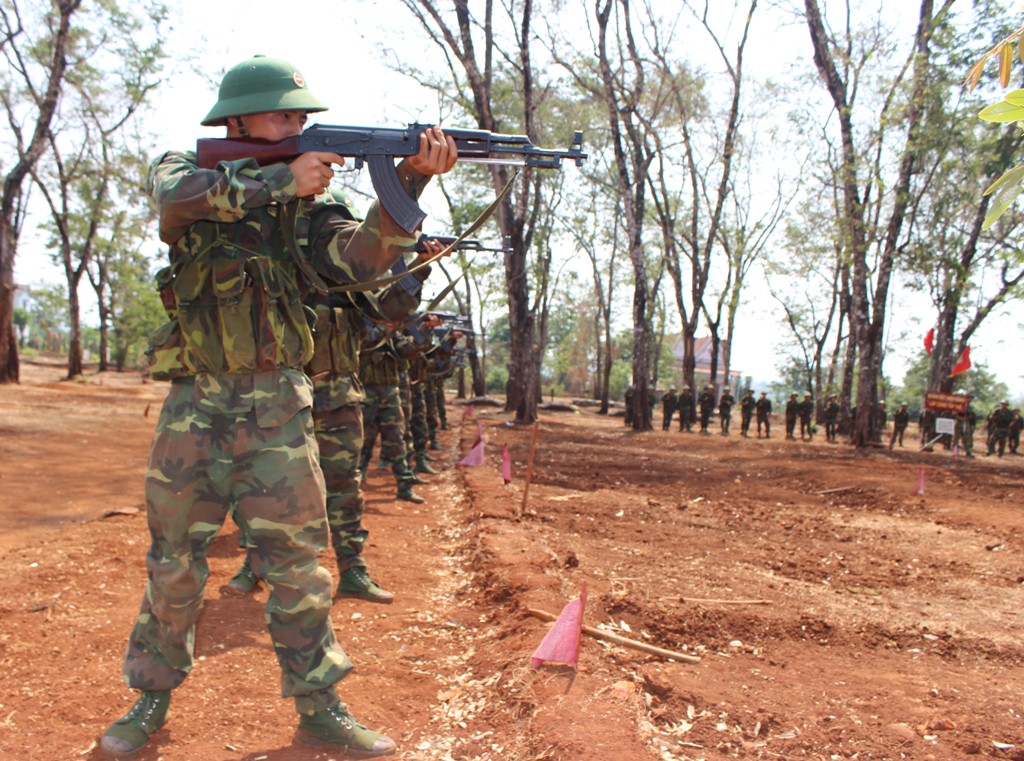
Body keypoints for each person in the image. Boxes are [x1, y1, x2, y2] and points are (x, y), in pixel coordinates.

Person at [99, 55, 456, 759]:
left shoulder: (311, 203)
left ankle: (320, 706)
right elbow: (176, 194)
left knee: (298, 565)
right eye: (282, 113)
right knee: (175, 563)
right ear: (236, 120)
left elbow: (357, 263)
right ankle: (150, 697)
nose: (297, 124)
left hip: (278, 410)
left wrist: (408, 181)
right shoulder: (190, 172)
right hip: (194, 404)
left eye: (301, 115)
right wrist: (275, 178)